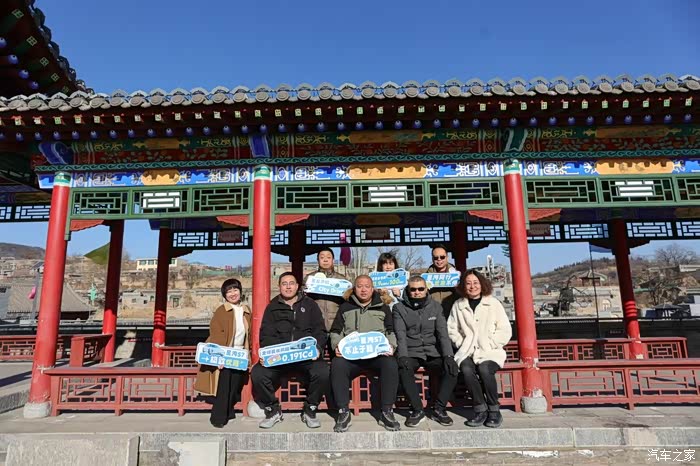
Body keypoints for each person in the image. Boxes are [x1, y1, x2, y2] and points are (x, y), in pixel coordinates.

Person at [251, 272, 330, 429]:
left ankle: (310, 408)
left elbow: (320, 331)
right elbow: (266, 335)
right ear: (279, 287)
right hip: (281, 358)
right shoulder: (272, 307)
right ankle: (272, 409)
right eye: (284, 284)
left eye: (291, 283)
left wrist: (317, 349)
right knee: (258, 373)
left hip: (305, 356)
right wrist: (268, 354)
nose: (288, 287)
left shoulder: (310, 305)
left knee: (322, 371)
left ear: (297, 286)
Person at [329, 275, 400, 433]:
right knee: (337, 364)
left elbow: (390, 331)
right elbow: (335, 331)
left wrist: (391, 346)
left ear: (372, 288)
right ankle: (343, 411)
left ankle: (387, 411)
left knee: (390, 364)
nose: (363, 290)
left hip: (376, 355)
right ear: (354, 289)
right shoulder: (345, 307)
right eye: (359, 286)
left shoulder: (382, 307)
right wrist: (337, 346)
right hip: (352, 356)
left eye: (367, 286)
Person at [447, 269, 512, 428]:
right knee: (466, 369)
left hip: (490, 350)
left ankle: (494, 409)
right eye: (468, 283)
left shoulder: (493, 303)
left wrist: (491, 343)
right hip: (467, 350)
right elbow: (452, 329)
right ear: (463, 286)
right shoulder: (459, 305)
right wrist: (461, 343)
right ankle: (480, 409)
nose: (472, 286)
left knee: (484, 369)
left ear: (482, 284)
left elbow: (504, 329)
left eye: (475, 283)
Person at [393, 275, 458, 427]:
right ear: (408, 290)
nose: (417, 292)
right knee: (404, 369)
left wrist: (448, 355)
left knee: (452, 369)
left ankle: (439, 409)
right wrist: (402, 355)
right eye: (413, 289)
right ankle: (417, 410)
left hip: (432, 350)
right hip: (411, 350)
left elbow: (442, 333)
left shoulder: (436, 307)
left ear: (426, 289)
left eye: (420, 289)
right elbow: (400, 334)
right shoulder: (399, 308)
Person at [194, 278, 250, 428]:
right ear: (224, 295)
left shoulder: (246, 310)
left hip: (240, 354)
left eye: (235, 290)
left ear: (240, 291)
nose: (233, 294)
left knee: (236, 384)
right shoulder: (221, 311)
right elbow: (216, 334)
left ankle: (229, 411)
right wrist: (218, 357)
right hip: (225, 353)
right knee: (224, 385)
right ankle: (218, 417)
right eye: (228, 291)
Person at [304, 247, 348, 332]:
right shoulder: (310, 279)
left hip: (336, 324)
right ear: (318, 260)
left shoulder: (342, 280)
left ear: (333, 260)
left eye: (328, 257)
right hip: (315, 324)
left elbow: (348, 302)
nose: (325, 260)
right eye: (322, 257)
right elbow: (302, 299)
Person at [426, 244, 459, 318]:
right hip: (432, 315)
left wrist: (459, 288)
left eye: (442, 257)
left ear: (447, 257)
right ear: (432, 258)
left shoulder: (457, 276)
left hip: (453, 315)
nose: (439, 260)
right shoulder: (425, 277)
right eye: (436, 258)